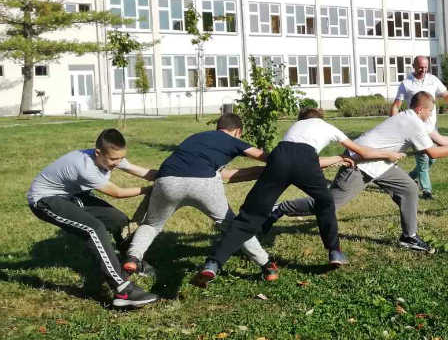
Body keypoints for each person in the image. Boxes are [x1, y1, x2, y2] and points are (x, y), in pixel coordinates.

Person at [193, 108, 405, 287]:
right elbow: (360, 153)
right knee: (325, 202)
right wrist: (388, 155)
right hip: (306, 161)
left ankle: (212, 265)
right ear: (319, 117)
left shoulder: (296, 127)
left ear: (302, 119)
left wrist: (336, 160)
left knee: (250, 215)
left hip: (280, 156)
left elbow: (296, 156)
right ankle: (335, 252)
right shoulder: (326, 127)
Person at [270, 92, 448, 254]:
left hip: (382, 163)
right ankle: (281, 207)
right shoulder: (413, 123)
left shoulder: (414, 119)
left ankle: (409, 237)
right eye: (430, 112)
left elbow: (440, 139)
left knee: (408, 188)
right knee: (330, 204)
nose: (431, 116)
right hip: (361, 162)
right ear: (421, 110)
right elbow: (433, 152)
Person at [123, 114, 276, 280]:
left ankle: (133, 258)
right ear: (238, 131)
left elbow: (219, 174)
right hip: (203, 184)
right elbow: (266, 158)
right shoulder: (233, 140)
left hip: (167, 180)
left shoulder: (195, 137)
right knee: (234, 227)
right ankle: (267, 266)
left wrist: (256, 172)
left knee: (151, 225)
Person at [27, 129, 159, 308]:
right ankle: (122, 289)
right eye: (114, 159)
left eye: (121, 158)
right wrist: (148, 190)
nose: (117, 163)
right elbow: (117, 192)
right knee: (94, 228)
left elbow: (145, 173)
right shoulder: (86, 167)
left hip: (73, 195)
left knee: (119, 220)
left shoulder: (111, 156)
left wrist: (169, 176)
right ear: (98, 152)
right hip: (45, 200)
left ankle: (133, 260)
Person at [390, 55, 448, 199]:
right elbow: (396, 106)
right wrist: (394, 122)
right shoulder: (406, 83)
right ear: (414, 66)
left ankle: (410, 178)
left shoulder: (433, 80)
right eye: (421, 67)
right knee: (423, 159)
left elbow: (447, 95)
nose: (423, 70)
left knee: (432, 158)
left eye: (426, 67)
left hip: (432, 127)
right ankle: (427, 191)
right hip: (415, 128)